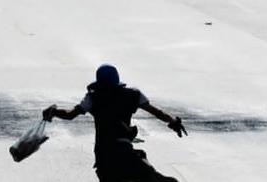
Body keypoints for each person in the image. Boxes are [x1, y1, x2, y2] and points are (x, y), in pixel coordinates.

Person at [43, 64, 186, 182]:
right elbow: (157, 112)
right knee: (154, 178)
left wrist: (54, 111)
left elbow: (70, 115)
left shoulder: (93, 98)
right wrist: (173, 121)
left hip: (104, 157)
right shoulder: (133, 95)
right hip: (124, 152)